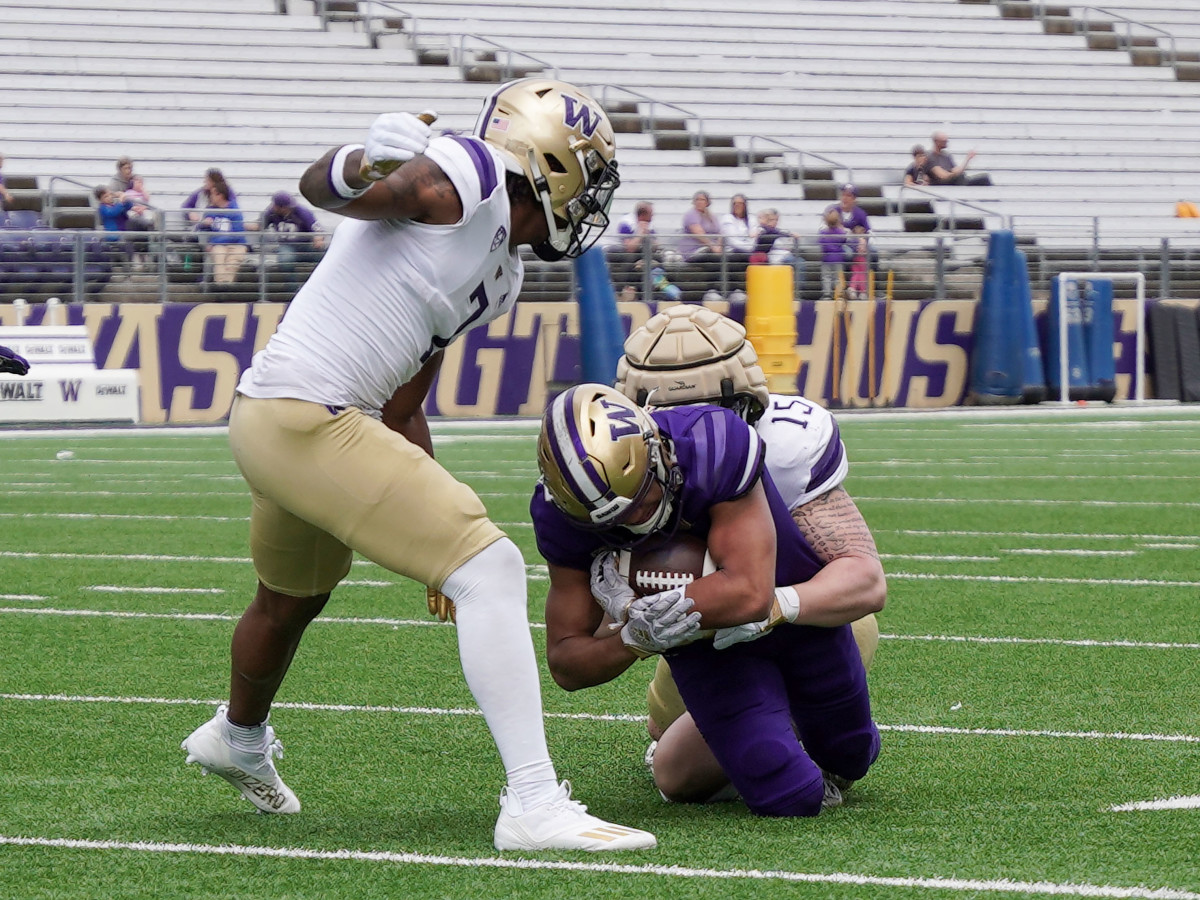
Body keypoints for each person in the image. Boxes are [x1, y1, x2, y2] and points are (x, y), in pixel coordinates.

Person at [179, 77, 655, 852]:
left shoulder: (505, 275)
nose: (592, 198)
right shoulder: (465, 173)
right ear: (550, 164)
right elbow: (331, 193)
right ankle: (533, 801)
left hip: (291, 418)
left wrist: (438, 548)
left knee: (289, 601)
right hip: (307, 415)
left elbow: (403, 405)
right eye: (588, 175)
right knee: (494, 568)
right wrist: (362, 159)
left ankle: (237, 734)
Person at [532, 381, 881, 818]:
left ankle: (798, 728)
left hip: (795, 621)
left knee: (852, 754)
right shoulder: (558, 517)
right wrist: (634, 638)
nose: (638, 524)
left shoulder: (711, 442)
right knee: (791, 796)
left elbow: (750, 595)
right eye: (616, 522)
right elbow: (566, 663)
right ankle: (754, 741)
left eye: (641, 500)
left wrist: (642, 604)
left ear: (655, 449)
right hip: (705, 652)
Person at [613, 305, 885, 805]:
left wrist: (777, 606)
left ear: (745, 402)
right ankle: (767, 725)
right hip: (702, 627)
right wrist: (629, 619)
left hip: (805, 624)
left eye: (705, 413)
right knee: (671, 765)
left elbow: (866, 581)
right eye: (672, 418)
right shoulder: (618, 460)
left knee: (851, 631)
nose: (691, 431)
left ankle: (805, 729)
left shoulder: (783, 446)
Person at [606, 200, 676, 300]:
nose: (653, 217)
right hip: (619, 253)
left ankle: (662, 285)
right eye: (651, 214)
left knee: (657, 259)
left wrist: (648, 236)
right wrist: (640, 233)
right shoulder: (626, 222)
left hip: (639, 254)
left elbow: (656, 245)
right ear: (643, 215)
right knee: (632, 258)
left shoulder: (648, 224)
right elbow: (629, 248)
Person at [259, 190, 326, 290]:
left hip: (305, 245)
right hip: (286, 246)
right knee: (286, 260)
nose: (289, 208)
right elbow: (259, 226)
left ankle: (319, 287)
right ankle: (294, 289)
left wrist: (318, 238)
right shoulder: (270, 213)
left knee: (326, 257)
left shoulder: (302, 211)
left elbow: (317, 229)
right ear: (279, 207)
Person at [196, 183, 248, 285]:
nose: (210, 197)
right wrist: (204, 224)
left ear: (220, 195)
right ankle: (221, 285)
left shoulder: (235, 210)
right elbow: (201, 230)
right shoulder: (210, 211)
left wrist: (214, 242)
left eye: (212, 194)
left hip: (236, 244)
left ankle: (225, 284)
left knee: (233, 260)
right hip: (218, 245)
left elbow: (237, 234)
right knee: (219, 257)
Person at [926, 131, 991, 187]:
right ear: (937, 142)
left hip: (957, 181)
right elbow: (943, 176)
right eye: (944, 141)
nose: (947, 142)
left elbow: (955, 170)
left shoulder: (946, 155)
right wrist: (956, 174)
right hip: (947, 184)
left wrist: (967, 159)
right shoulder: (930, 157)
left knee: (985, 178)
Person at [818, 207, 850, 300]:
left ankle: (827, 294)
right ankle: (839, 294)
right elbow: (844, 240)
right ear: (838, 220)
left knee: (826, 276)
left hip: (826, 258)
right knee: (838, 277)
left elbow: (820, 242)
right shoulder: (840, 232)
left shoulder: (823, 233)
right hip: (838, 258)